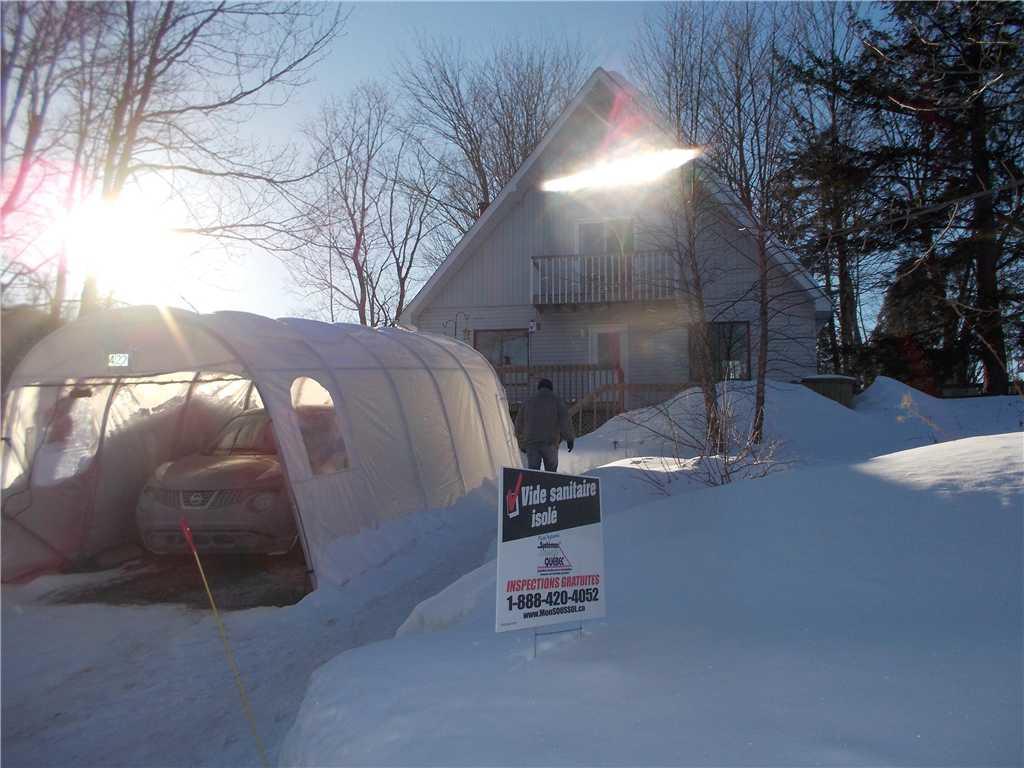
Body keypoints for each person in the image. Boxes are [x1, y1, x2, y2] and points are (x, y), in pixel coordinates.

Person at [514, 378, 575, 472]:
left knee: (533, 473)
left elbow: (518, 424)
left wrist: (522, 443)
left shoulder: (528, 401)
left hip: (532, 443)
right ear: (551, 388)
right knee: (551, 474)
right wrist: (569, 438)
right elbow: (565, 421)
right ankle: (550, 485)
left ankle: (535, 486)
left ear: (539, 388)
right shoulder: (556, 400)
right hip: (550, 442)